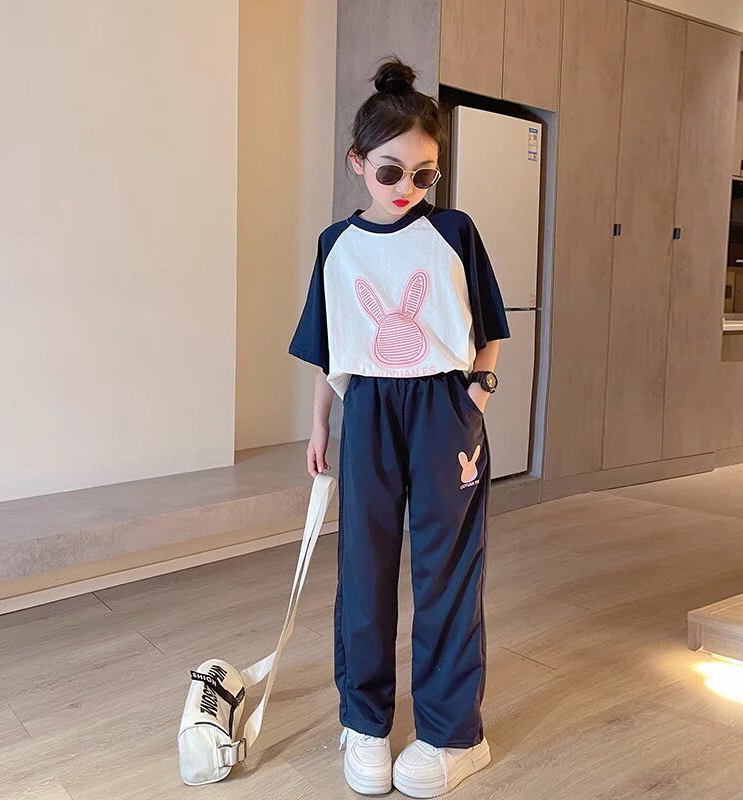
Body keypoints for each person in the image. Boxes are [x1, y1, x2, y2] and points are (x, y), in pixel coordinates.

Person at [287, 54, 511, 798]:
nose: (406, 188)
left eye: (424, 174)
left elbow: (490, 330)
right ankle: (365, 721)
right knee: (365, 567)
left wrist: (474, 400)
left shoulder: (454, 231)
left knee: (448, 571)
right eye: (390, 172)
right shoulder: (336, 245)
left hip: (445, 409)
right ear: (357, 162)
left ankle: (454, 735)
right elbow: (333, 348)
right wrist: (320, 426)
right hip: (369, 411)